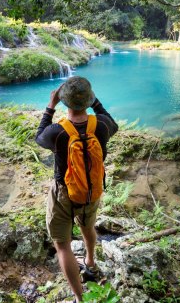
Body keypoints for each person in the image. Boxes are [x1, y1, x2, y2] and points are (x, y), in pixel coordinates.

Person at [35, 76, 118, 302]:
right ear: (90, 99)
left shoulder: (57, 132)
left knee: (62, 246)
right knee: (88, 225)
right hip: (92, 190)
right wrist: (94, 102)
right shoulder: (100, 124)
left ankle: (79, 298)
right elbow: (114, 123)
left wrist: (50, 106)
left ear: (64, 101)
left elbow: (39, 136)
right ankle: (90, 261)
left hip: (63, 193)